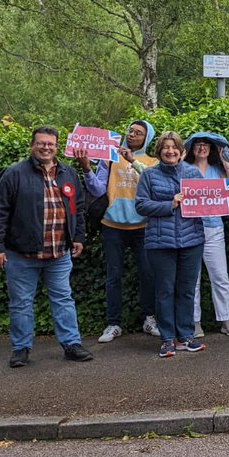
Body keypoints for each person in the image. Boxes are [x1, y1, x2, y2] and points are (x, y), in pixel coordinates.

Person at [0, 127, 94, 368]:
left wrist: (78, 237)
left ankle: (71, 344)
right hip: (21, 254)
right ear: (32, 146)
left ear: (56, 147)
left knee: (64, 300)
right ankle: (21, 349)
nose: (46, 147)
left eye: (51, 144)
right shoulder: (14, 174)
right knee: (21, 303)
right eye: (41, 143)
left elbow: (78, 208)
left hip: (59, 254)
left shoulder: (68, 174)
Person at [78, 119, 159, 341]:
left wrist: (133, 162)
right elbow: (96, 188)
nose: (132, 135)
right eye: (131, 131)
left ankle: (149, 319)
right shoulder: (110, 158)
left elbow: (155, 188)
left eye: (139, 133)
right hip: (112, 225)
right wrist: (86, 169)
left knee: (148, 274)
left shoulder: (152, 162)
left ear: (147, 139)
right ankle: (113, 324)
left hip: (142, 226)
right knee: (113, 276)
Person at [135, 131, 207, 358]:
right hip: (160, 242)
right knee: (164, 291)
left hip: (191, 240)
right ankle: (167, 339)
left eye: (174, 147)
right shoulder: (149, 175)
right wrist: (170, 204)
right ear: (159, 151)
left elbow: (208, 201)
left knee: (186, 291)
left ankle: (186, 336)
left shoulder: (193, 173)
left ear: (181, 151)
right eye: (165, 147)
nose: (170, 151)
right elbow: (141, 205)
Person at [185, 132, 229, 337]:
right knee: (192, 278)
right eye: (198, 145)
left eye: (206, 145)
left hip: (214, 228)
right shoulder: (186, 169)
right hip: (189, 228)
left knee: (220, 276)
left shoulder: (218, 170)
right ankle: (194, 322)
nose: (202, 148)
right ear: (191, 148)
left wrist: (224, 158)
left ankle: (225, 319)